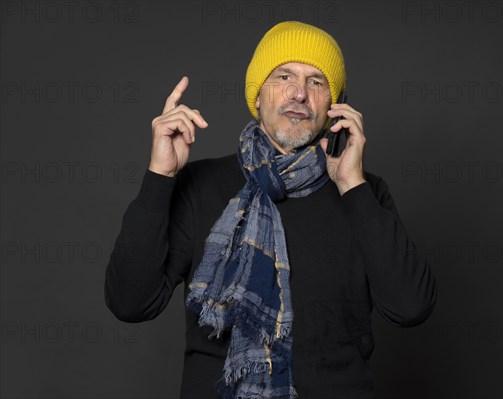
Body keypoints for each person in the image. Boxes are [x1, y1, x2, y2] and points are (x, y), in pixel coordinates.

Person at [105, 20, 437, 399]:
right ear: (258, 95)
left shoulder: (363, 191)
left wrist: (353, 187)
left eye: (317, 82)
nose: (299, 94)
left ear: (334, 106)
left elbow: (411, 307)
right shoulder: (200, 185)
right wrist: (160, 176)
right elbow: (130, 302)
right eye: (284, 76)